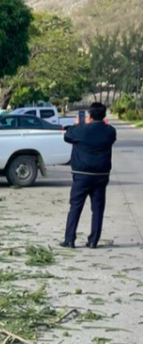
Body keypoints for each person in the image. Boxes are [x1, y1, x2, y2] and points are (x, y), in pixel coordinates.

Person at [60, 102, 117, 249]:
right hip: (101, 174)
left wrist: (77, 125)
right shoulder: (110, 131)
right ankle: (93, 241)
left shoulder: (81, 130)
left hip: (82, 174)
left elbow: (67, 136)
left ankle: (70, 239)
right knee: (98, 208)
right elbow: (109, 137)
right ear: (104, 116)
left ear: (89, 116)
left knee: (75, 206)